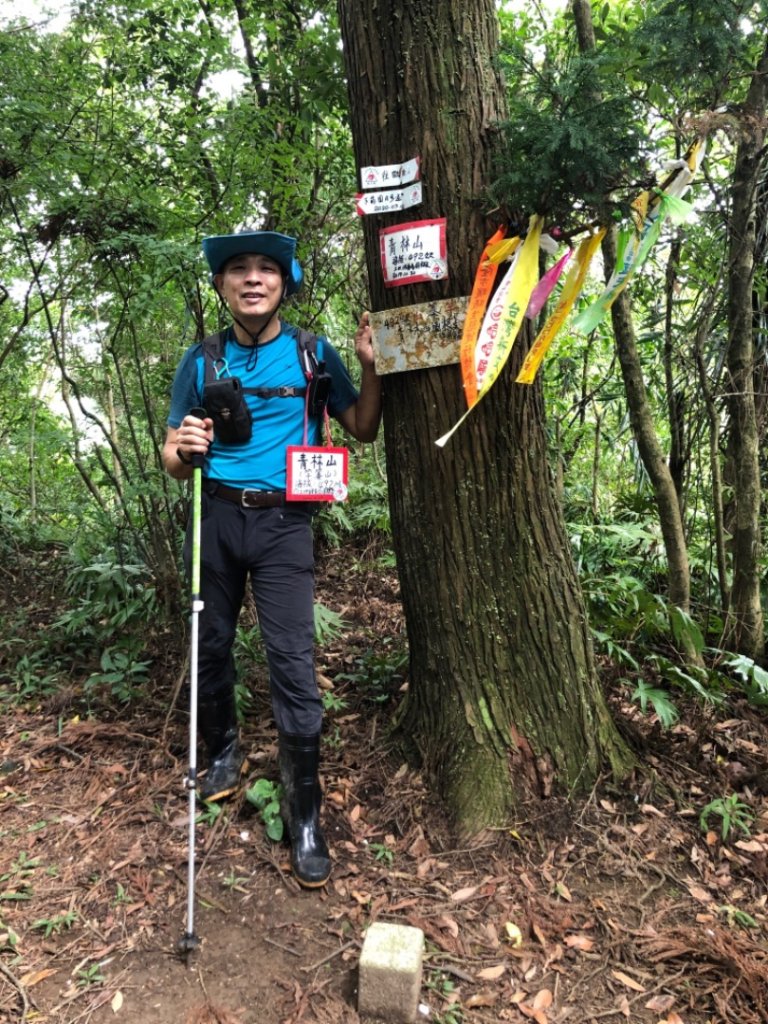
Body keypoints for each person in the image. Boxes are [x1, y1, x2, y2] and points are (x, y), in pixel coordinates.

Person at [163, 230, 382, 888]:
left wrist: (372, 366)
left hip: (287, 521)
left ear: (285, 282)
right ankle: (223, 751)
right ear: (222, 285)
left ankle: (304, 812)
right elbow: (173, 461)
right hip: (217, 514)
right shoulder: (199, 362)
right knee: (210, 645)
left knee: (292, 661)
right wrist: (187, 445)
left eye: (266, 269)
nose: (252, 278)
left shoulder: (314, 353)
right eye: (238, 269)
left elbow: (362, 427)